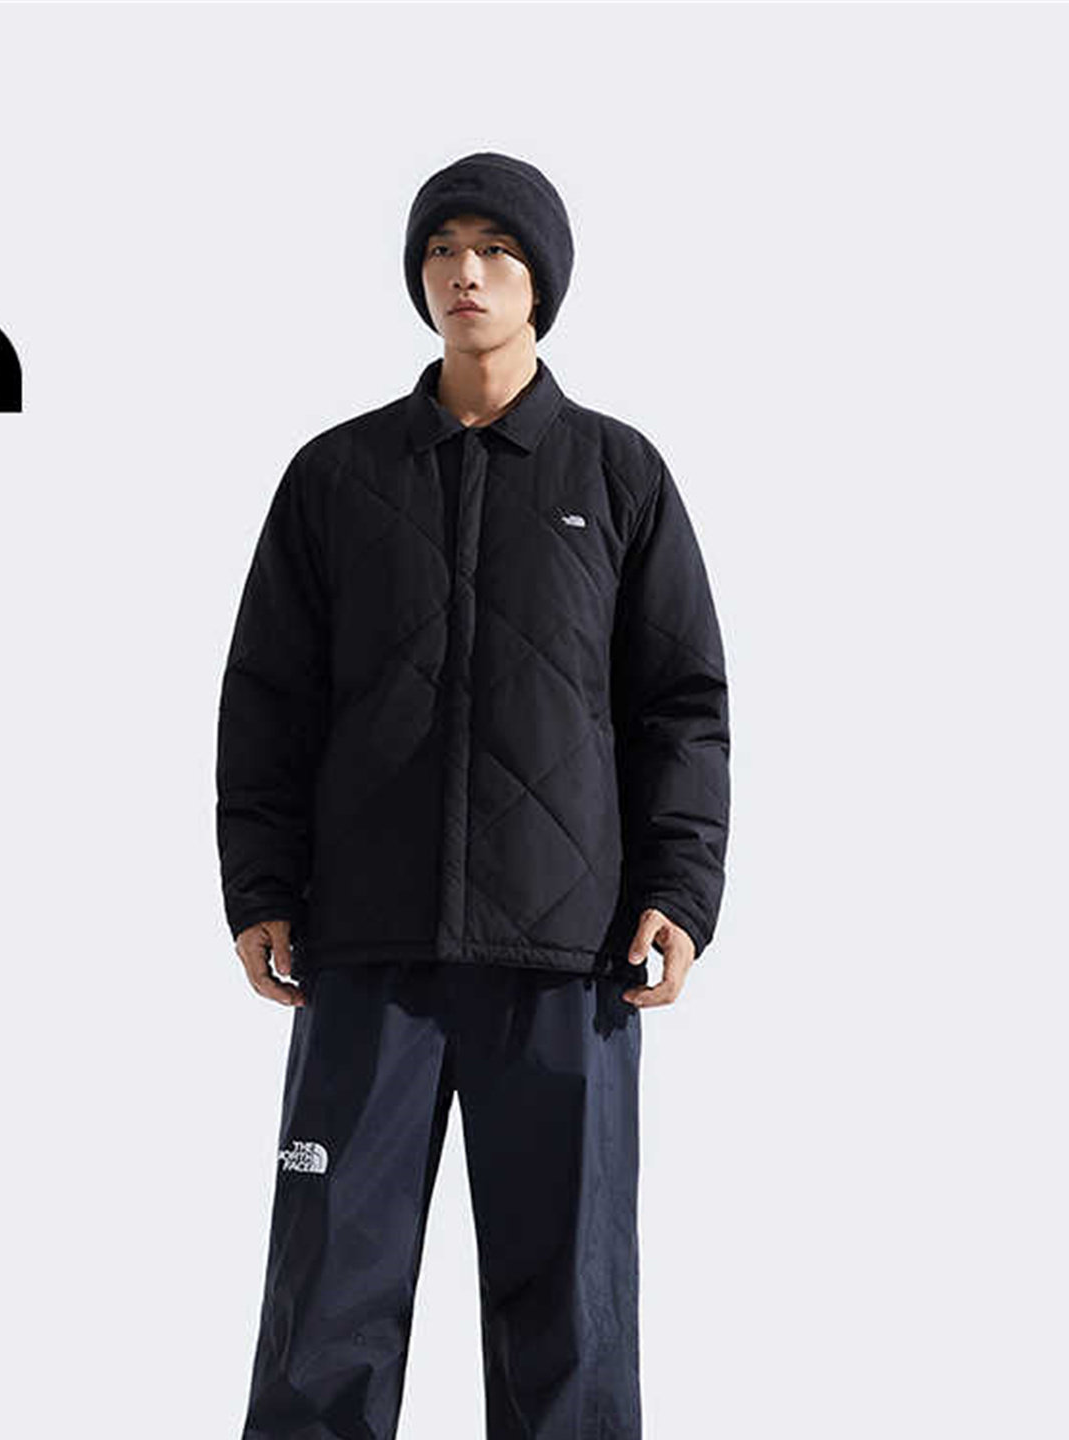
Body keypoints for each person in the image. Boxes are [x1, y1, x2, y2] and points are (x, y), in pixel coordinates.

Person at [216, 151, 732, 1440]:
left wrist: (679, 892)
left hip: (568, 956)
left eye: (497, 250)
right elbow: (268, 698)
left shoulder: (618, 476)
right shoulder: (337, 475)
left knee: (570, 1319)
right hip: (365, 950)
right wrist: (262, 888)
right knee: (327, 1299)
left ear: (540, 281)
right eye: (444, 249)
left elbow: (680, 706)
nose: (467, 272)